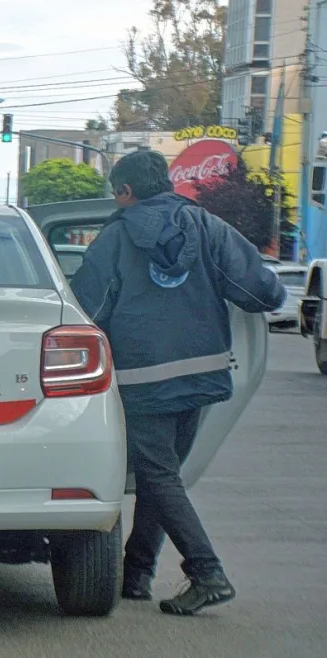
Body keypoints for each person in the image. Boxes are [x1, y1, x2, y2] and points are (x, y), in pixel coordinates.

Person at [70, 150, 286, 616]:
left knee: (159, 477)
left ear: (126, 191)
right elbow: (260, 292)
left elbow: (87, 310)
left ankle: (207, 573)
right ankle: (137, 575)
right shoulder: (209, 228)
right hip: (202, 375)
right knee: (162, 478)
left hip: (141, 380)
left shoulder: (114, 239)